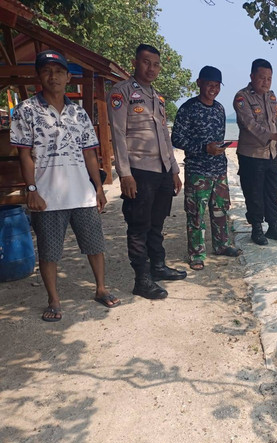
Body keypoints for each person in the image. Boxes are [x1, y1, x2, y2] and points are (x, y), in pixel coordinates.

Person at [10, 50, 120, 321]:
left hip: (81, 192)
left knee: (95, 245)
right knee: (49, 251)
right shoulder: (26, 110)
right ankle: (54, 300)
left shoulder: (78, 113)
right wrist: (31, 189)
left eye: (59, 71)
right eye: (47, 71)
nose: (53, 76)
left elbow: (89, 154)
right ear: (39, 76)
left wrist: (98, 187)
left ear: (68, 77)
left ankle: (101, 288)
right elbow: (24, 153)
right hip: (47, 196)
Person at [107, 44, 186, 300]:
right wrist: (125, 174)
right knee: (138, 225)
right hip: (139, 171)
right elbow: (117, 134)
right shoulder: (122, 92)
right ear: (135, 62)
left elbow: (165, 134)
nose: (151, 68)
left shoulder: (157, 97)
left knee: (158, 221)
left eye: (155, 64)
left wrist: (174, 169)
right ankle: (141, 279)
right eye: (146, 62)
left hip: (162, 170)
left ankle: (158, 266)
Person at [171, 66, 241, 270]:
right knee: (196, 214)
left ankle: (222, 245)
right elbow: (176, 138)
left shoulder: (220, 109)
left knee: (221, 210)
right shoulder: (187, 108)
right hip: (197, 171)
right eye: (210, 84)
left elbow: (217, 137)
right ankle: (196, 254)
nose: (214, 89)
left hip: (219, 169)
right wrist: (203, 148)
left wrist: (218, 149)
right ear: (199, 83)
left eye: (217, 85)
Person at [233, 58, 277, 245]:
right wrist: (272, 137)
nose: (265, 82)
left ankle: (274, 226)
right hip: (251, 155)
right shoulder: (242, 98)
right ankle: (257, 228)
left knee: (272, 192)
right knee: (254, 193)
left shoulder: (271, 97)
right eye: (261, 78)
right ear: (252, 77)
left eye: (269, 78)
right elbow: (249, 124)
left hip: (271, 154)